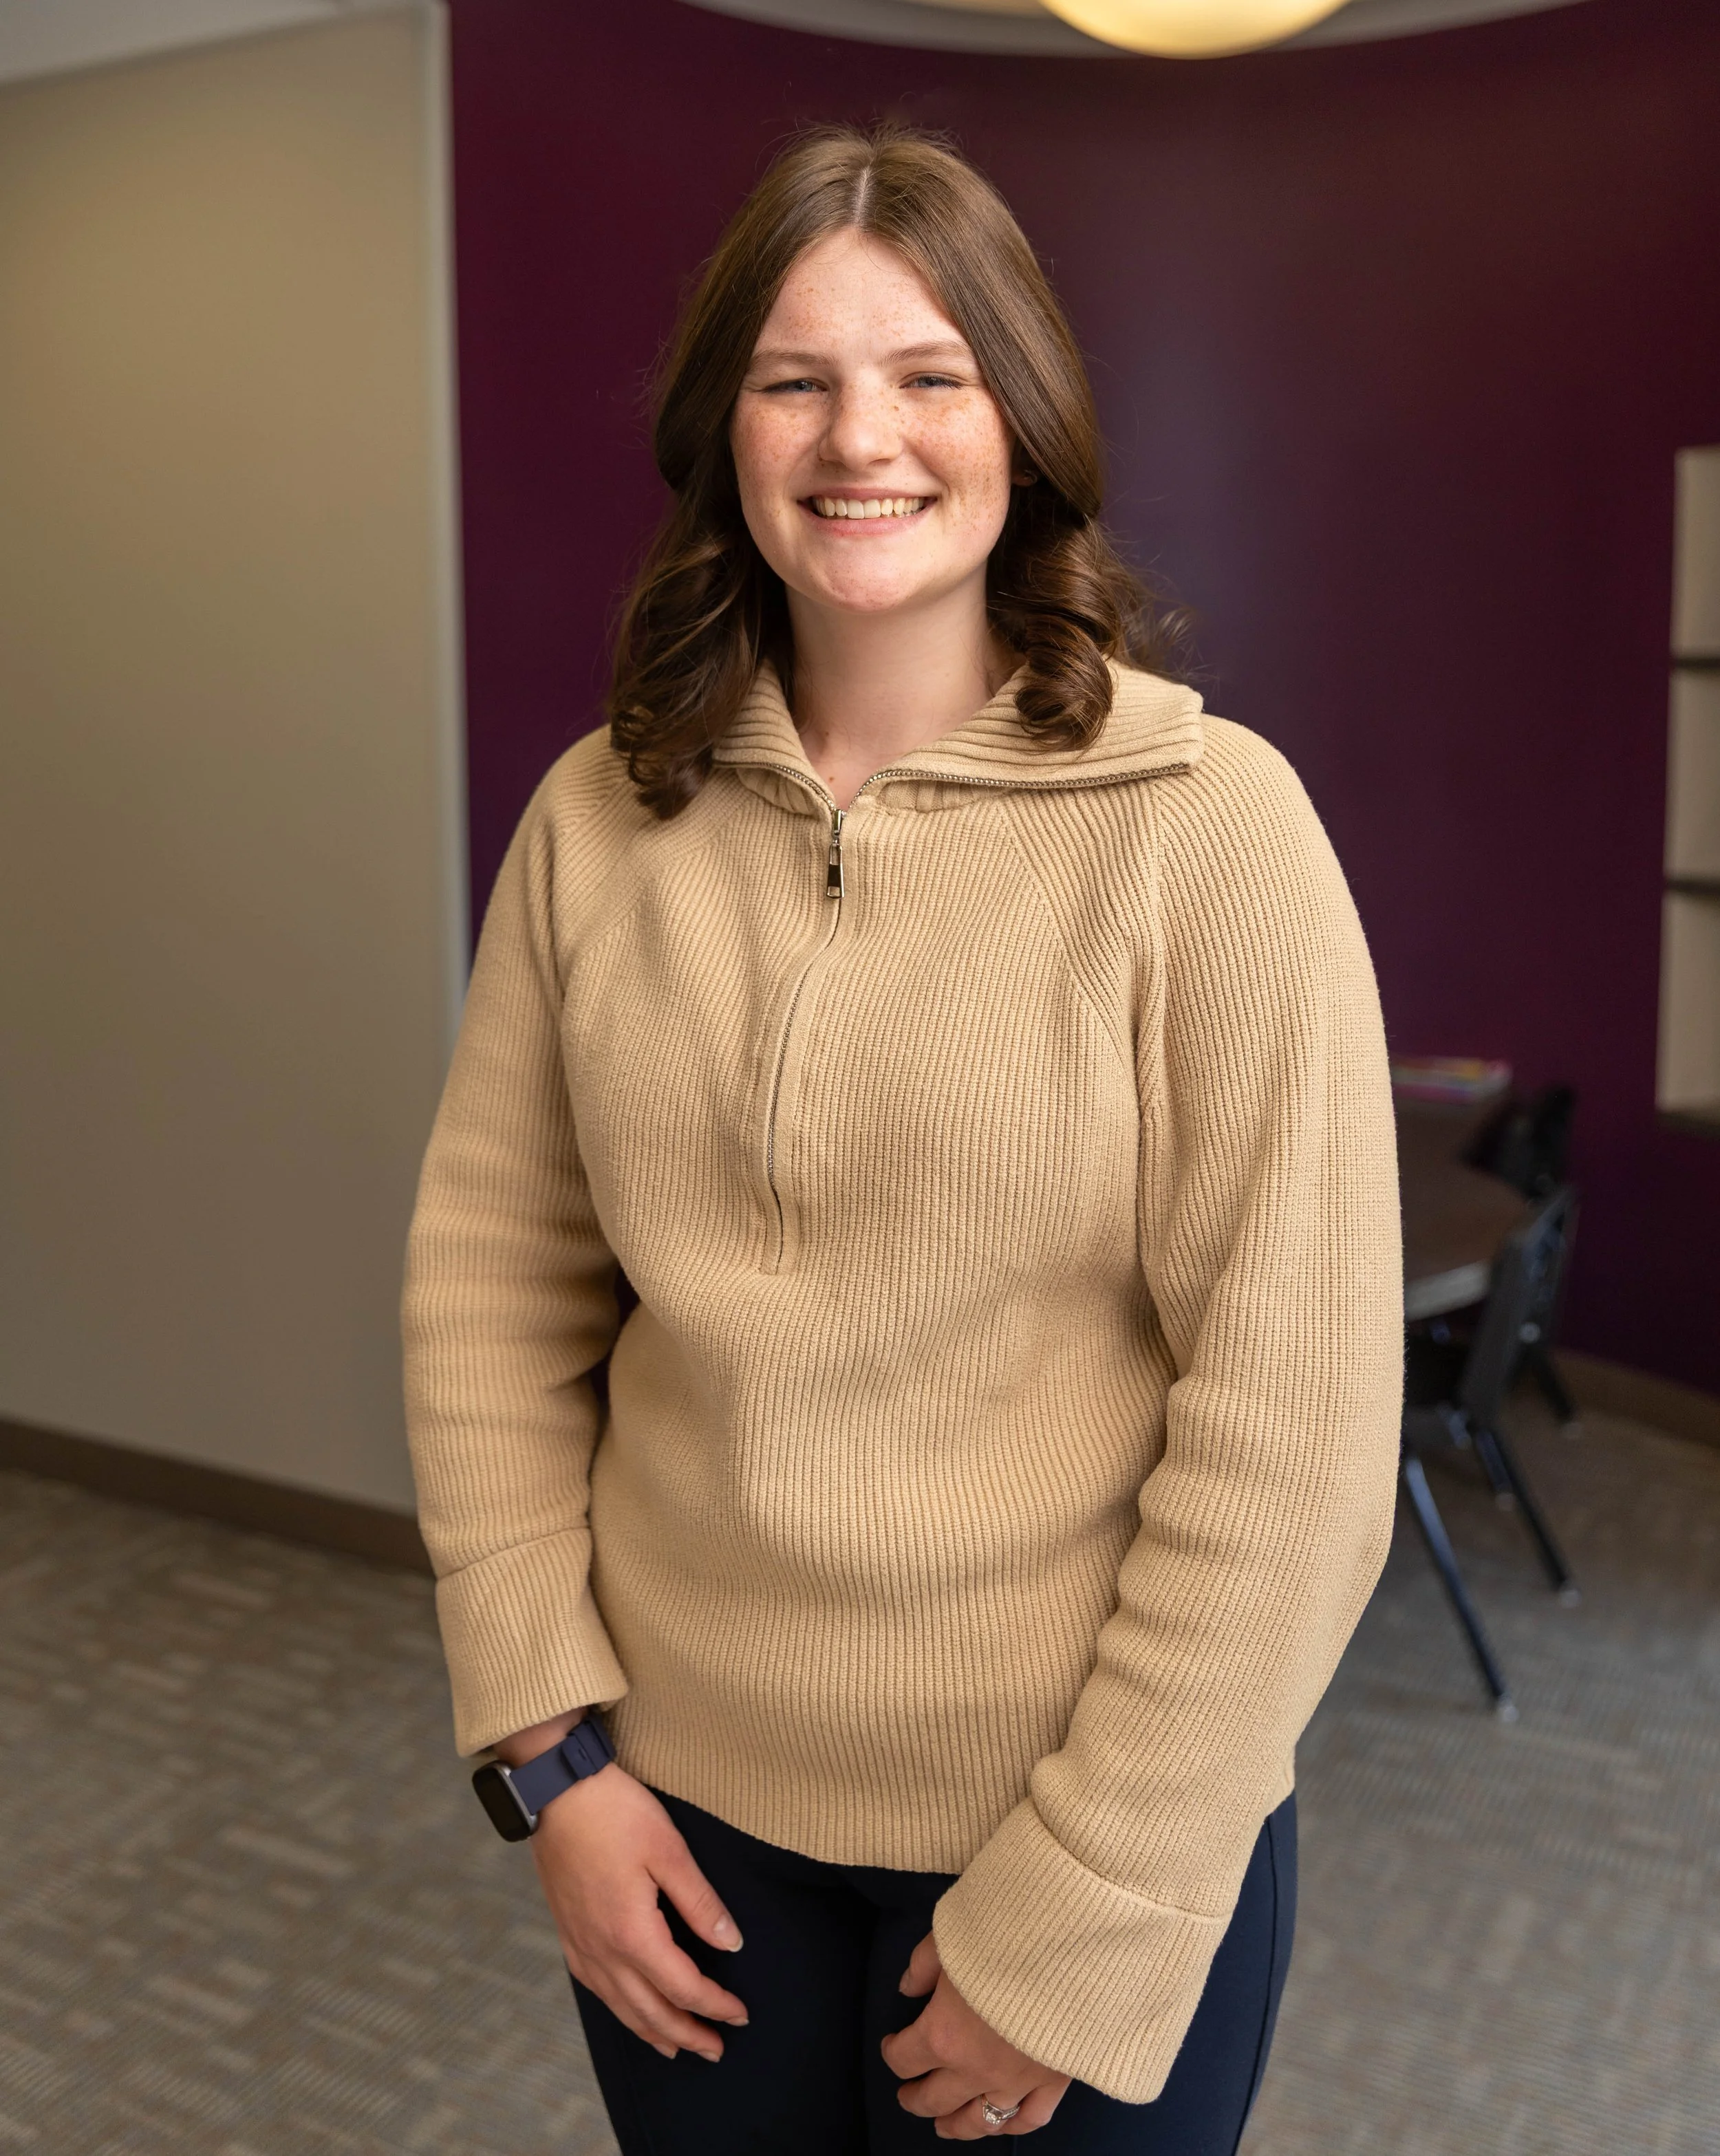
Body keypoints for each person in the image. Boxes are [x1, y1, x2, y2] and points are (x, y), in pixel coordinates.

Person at [403, 125, 1401, 2154]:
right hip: (678, 1828)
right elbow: (487, 1292)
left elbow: (1292, 1435)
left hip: (1077, 1829)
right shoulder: (599, 821)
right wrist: (548, 1757)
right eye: (796, 378)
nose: (864, 435)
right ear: (725, 434)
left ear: (1020, 425)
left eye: (931, 373)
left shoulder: (1208, 837)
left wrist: (1090, 1907)